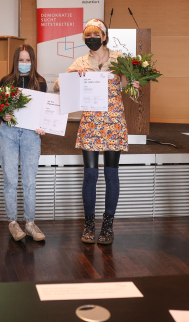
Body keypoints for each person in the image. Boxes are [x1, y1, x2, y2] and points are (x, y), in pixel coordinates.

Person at [54, 19, 137, 245]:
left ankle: (108, 225)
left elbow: (130, 92)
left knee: (111, 174)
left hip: (113, 122)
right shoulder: (81, 60)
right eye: (87, 35)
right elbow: (56, 86)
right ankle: (89, 224)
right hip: (90, 122)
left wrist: (134, 86)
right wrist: (71, 74)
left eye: (95, 34)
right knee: (90, 175)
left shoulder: (120, 59)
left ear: (104, 35)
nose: (92, 38)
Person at [0, 44, 47, 242]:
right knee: (10, 180)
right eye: (21, 60)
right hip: (8, 132)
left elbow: (44, 110)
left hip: (30, 135)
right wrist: (3, 114)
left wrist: (43, 124)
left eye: (28, 60)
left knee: (29, 181)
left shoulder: (40, 82)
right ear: (15, 61)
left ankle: (30, 223)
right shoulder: (6, 81)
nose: (24, 64)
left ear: (33, 62)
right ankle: (12, 222)